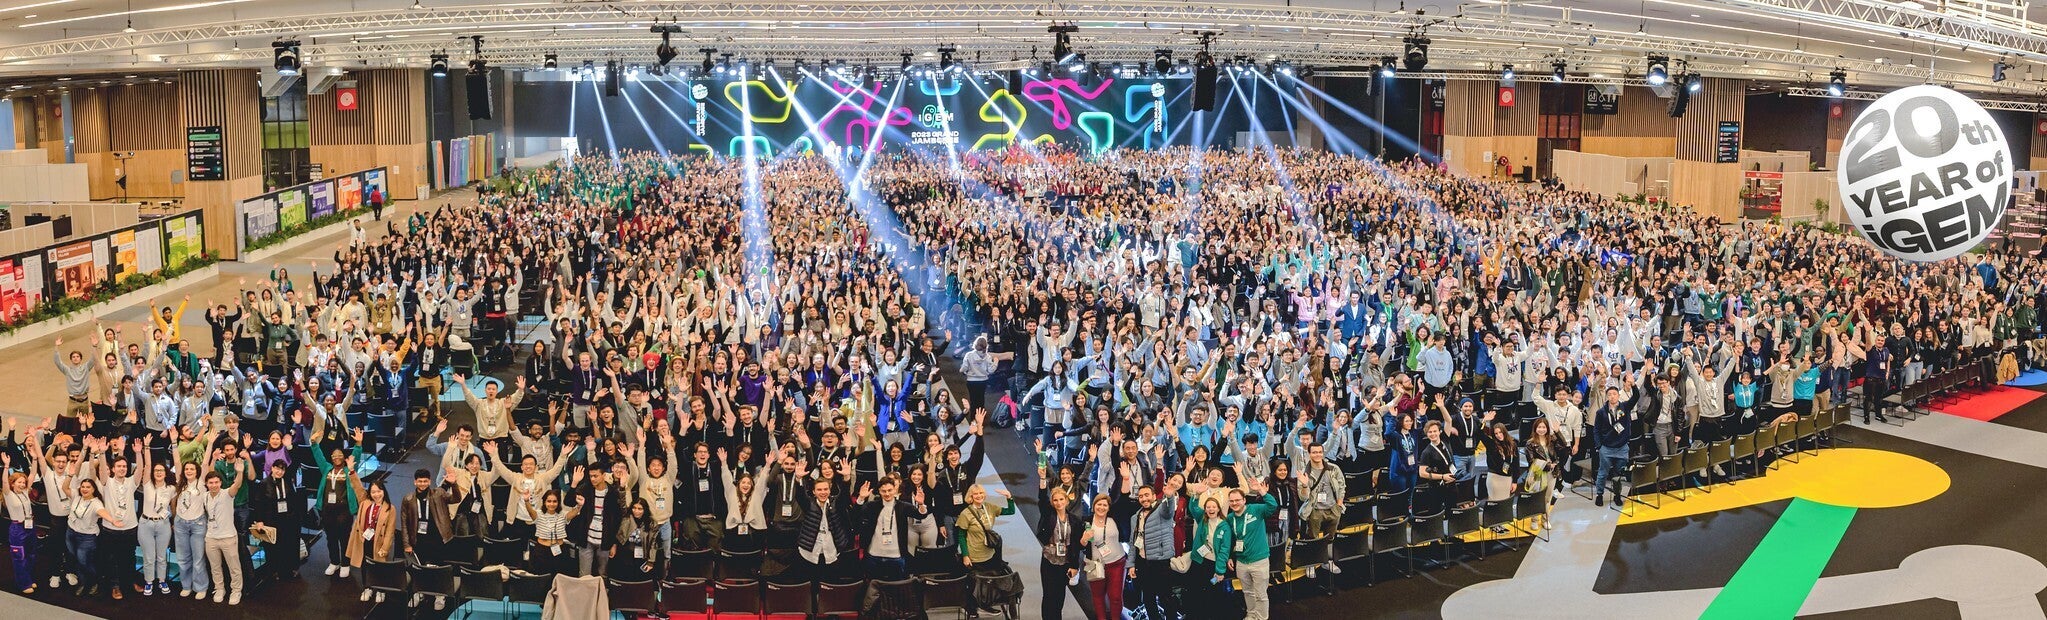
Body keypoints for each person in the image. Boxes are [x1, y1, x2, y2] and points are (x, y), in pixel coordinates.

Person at [1033, 484, 1086, 620]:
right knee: (1048, 595)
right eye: (1055, 500)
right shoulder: (1048, 515)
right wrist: (1043, 480)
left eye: (1061, 499)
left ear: (1066, 500)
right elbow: (1042, 499)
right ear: (1052, 502)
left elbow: (1075, 546)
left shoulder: (1074, 520)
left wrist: (1075, 566)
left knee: (1060, 595)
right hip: (1049, 561)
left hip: (1065, 563)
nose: (1058, 503)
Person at [1082, 493, 1126, 620]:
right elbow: (1080, 544)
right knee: (1098, 596)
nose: (1101, 507)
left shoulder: (1114, 519)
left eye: (1105, 505)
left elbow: (1120, 495)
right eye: (1099, 504)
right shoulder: (1086, 521)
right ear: (1093, 506)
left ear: (1109, 507)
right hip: (1095, 564)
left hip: (1117, 563)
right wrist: (1084, 539)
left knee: (1116, 597)